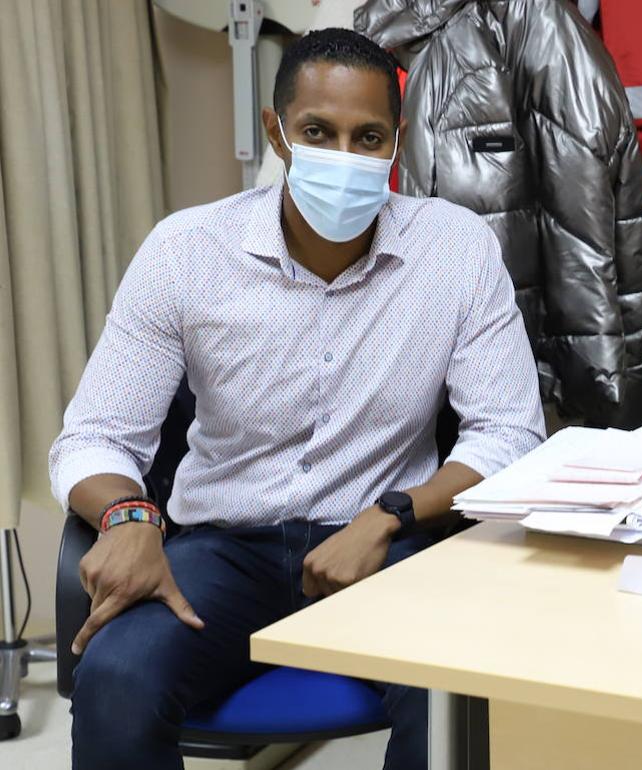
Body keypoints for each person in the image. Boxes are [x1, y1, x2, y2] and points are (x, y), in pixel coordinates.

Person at [48, 28, 544, 769]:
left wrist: (392, 514)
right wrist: (126, 516)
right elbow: (95, 436)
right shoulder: (187, 251)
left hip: (383, 548)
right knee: (118, 675)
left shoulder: (457, 250)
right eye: (318, 131)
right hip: (223, 549)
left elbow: (508, 435)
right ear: (275, 131)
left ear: (396, 143)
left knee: (454, 688)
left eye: (366, 136)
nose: (343, 157)